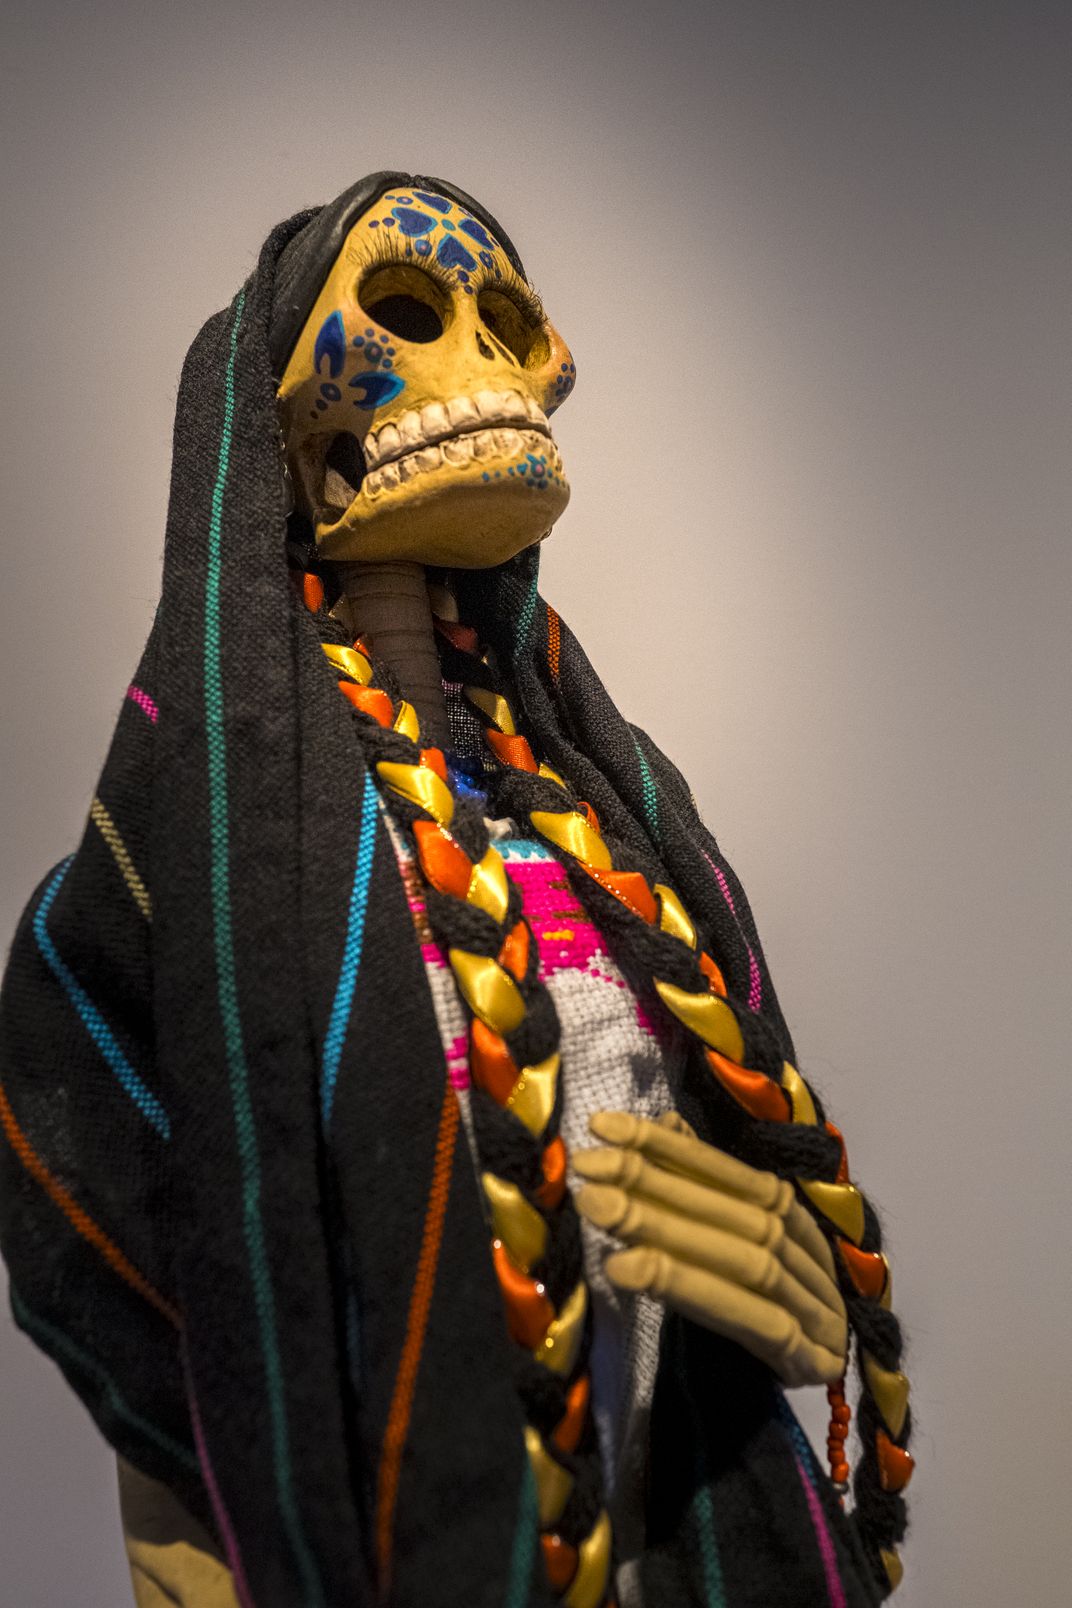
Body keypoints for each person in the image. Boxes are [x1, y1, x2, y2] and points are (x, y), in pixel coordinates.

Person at [0, 171, 911, 1607]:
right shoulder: (155, 913)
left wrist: (792, 1284)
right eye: (408, 312)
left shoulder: (620, 844)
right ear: (276, 430)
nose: (495, 365)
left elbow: (732, 1165)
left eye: (513, 326)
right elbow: (189, 1335)